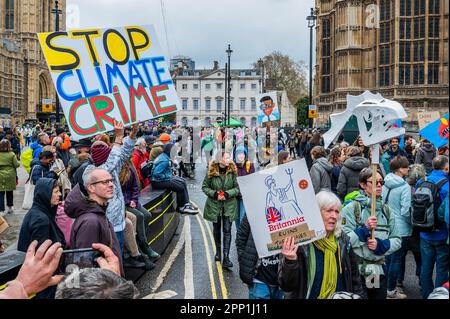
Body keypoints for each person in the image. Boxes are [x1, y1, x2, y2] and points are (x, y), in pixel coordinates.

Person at [278, 191, 366, 299]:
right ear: (316, 212)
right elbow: (286, 285)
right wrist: (290, 261)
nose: (334, 216)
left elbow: (355, 281)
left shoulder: (343, 242)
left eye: (337, 212)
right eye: (329, 211)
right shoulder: (300, 243)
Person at [338, 167, 401, 299]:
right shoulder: (351, 208)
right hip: (355, 271)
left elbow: (397, 239)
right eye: (374, 182)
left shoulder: (386, 210)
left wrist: (380, 245)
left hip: (375, 271)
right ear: (362, 184)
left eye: (381, 182)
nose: (379, 185)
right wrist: (364, 229)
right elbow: (342, 241)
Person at [85, 121, 139, 256]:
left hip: (118, 221)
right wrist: (119, 137)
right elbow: (111, 163)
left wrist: (132, 135)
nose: (110, 183)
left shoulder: (112, 168)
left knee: (118, 258)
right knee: (111, 259)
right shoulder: (91, 172)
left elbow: (124, 154)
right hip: (107, 225)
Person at [65, 168, 124, 274]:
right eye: (105, 182)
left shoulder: (98, 213)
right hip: (103, 286)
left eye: (111, 181)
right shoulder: (90, 221)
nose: (111, 185)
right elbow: (84, 266)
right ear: (91, 188)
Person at [17, 178, 65, 298]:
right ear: (45, 194)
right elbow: (41, 257)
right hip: (43, 283)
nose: (60, 194)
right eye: (55, 191)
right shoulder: (41, 219)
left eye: (59, 191)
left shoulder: (37, 212)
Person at [415, 155, 449, 298]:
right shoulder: (447, 184)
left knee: (426, 267)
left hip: (424, 230)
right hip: (441, 232)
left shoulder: (421, 181)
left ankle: (426, 294)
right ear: (446, 168)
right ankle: (438, 295)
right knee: (442, 268)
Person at [202, 151, 239, 268]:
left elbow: (237, 188)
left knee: (227, 230)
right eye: (226, 157)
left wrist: (228, 194)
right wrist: (214, 194)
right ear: (219, 159)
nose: (229, 160)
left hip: (229, 205)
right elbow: (204, 187)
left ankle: (226, 257)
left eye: (229, 157)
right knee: (217, 230)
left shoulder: (233, 170)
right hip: (215, 206)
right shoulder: (211, 171)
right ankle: (218, 252)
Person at [381, 156, 411, 299]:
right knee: (396, 260)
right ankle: (391, 290)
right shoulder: (404, 187)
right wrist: (411, 223)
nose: (408, 168)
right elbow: (406, 211)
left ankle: (385, 287)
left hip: (386, 224)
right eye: (406, 167)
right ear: (400, 169)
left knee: (387, 258)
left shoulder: (385, 182)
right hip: (401, 227)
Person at [120, 161, 160, 267]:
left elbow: (135, 187)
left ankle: (139, 239)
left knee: (147, 215)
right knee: (139, 216)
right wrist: (129, 202)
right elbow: (117, 192)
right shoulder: (115, 169)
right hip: (123, 203)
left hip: (132, 201)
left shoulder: (130, 168)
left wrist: (134, 199)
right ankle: (143, 246)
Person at [236, 213, 284, 299]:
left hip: (283, 282)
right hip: (259, 280)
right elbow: (241, 237)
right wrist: (246, 264)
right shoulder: (254, 208)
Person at [151, 143, 198, 214]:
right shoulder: (165, 161)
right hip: (158, 182)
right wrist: (167, 177)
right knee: (180, 187)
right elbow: (156, 174)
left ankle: (186, 204)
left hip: (161, 179)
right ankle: (181, 207)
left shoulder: (164, 157)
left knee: (182, 181)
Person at [234, 145, 255, 230]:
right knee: (236, 218)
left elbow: (252, 181)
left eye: (242, 154)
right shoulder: (233, 166)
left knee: (242, 216)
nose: (241, 156)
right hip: (235, 196)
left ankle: (241, 236)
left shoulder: (249, 165)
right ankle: (239, 234)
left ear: (245, 154)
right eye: (239, 154)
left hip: (244, 196)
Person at [0, 139, 20, 216]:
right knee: (9, 192)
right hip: (10, 175)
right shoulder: (12, 154)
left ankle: (1, 210)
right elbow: (17, 165)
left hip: (0, 174)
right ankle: (10, 207)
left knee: (0, 193)